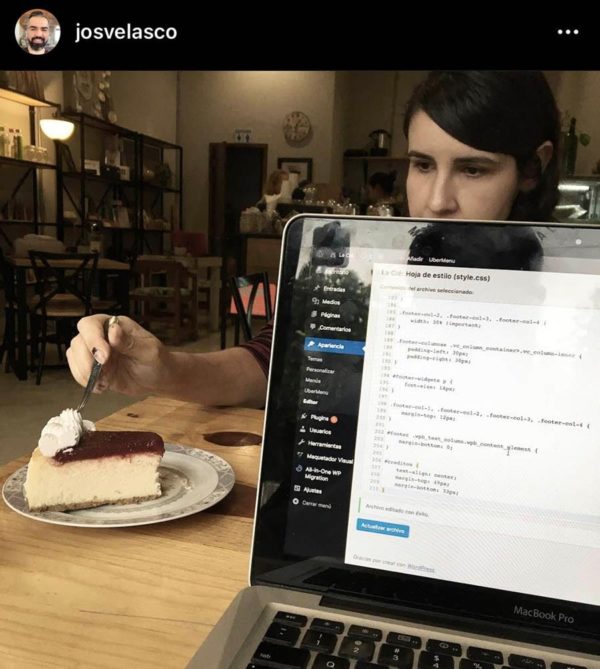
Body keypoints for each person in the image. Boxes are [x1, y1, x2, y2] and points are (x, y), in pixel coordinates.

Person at [67, 71, 560, 407]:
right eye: (422, 164)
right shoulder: (369, 268)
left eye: (473, 169)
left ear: (532, 168)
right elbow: (276, 358)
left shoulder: (569, 295)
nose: (435, 200)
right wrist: (166, 368)